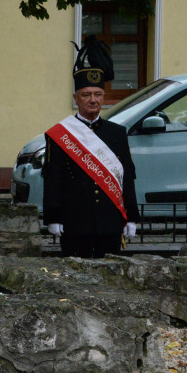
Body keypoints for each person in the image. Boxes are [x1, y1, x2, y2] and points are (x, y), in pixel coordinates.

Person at [42, 36, 139, 258]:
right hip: (75, 222)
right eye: (86, 95)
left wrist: (131, 216)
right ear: (76, 98)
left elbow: (127, 175)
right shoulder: (60, 135)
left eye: (98, 94)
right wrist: (53, 217)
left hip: (110, 220)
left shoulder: (117, 133)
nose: (93, 100)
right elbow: (53, 178)